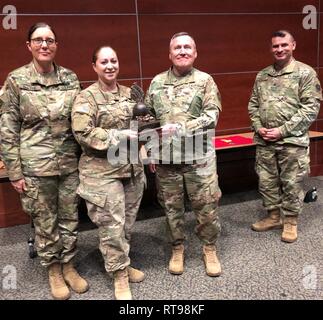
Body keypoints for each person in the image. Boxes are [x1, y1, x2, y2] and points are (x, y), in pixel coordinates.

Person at [0, 22, 88, 299]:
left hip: (69, 164)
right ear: (29, 46)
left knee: (70, 217)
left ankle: (69, 265)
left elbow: (82, 121)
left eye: (50, 40)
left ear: (56, 45)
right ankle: (53, 269)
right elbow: (7, 129)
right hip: (36, 166)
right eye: (38, 40)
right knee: (44, 221)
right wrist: (14, 172)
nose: (44, 45)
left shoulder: (71, 79)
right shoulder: (16, 81)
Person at [145, 32, 222, 277]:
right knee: (171, 208)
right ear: (170, 54)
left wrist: (180, 128)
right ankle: (177, 247)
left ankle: (209, 248)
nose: (182, 51)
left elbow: (212, 116)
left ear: (195, 52)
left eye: (187, 47)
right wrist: (151, 151)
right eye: (177, 47)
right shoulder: (157, 82)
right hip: (167, 160)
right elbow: (148, 120)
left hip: (199, 158)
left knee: (206, 207)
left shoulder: (205, 81)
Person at [71, 46, 145, 300]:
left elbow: (141, 124)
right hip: (102, 172)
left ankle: (122, 262)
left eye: (114, 60)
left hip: (132, 169)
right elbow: (83, 133)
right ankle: (119, 275)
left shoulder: (129, 93)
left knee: (126, 222)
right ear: (94, 66)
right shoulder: (86, 98)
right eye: (104, 62)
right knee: (111, 226)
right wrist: (118, 135)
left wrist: (149, 128)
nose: (110, 66)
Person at [248, 30, 322, 243]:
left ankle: (290, 221)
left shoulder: (305, 73)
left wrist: (282, 130)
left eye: (284, 45)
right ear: (271, 48)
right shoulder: (263, 75)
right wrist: (258, 126)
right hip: (265, 140)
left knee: (291, 182)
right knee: (267, 181)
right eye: (275, 46)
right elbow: (253, 104)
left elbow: (310, 109)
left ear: (293, 45)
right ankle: (273, 216)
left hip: (291, 140)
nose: (279, 49)